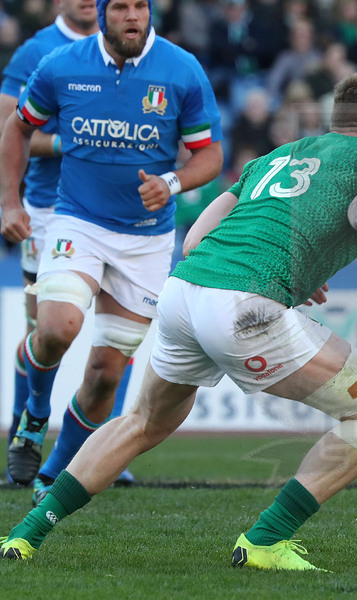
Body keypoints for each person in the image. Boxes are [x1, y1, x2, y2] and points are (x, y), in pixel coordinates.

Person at [0, 72, 357, 570]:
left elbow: (196, 240)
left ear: (334, 120)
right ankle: (265, 540)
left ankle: (24, 535)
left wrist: (293, 271)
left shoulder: (275, 157)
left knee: (142, 422)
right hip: (242, 309)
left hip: (184, 291)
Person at [0, 0, 223, 505]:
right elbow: (17, 126)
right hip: (77, 221)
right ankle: (35, 416)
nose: (133, 16)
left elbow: (209, 153)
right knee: (55, 328)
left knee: (105, 375)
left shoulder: (181, 69)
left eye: (140, 6)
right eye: (120, 6)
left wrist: (173, 181)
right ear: (102, 15)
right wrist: (8, 200)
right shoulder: (60, 64)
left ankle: (53, 473)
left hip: (146, 241)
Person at [0, 0, 139, 486]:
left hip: (121, 216)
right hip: (49, 210)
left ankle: (104, 451)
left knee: (119, 340)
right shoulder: (37, 52)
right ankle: (29, 426)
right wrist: (72, 142)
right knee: (48, 332)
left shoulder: (136, 47)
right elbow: (9, 128)